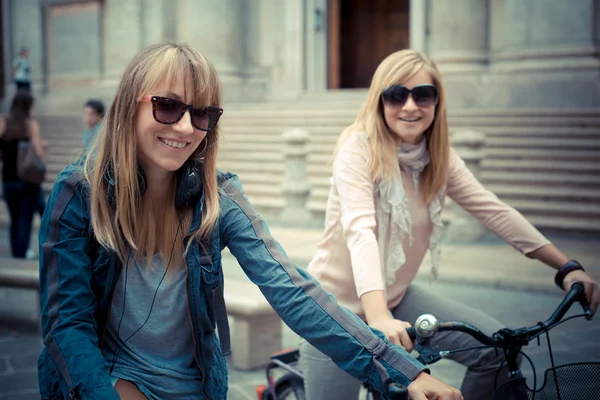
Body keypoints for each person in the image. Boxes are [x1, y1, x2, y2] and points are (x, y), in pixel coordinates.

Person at [36, 43, 462, 400]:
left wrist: (404, 372)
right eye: (168, 107)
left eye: (202, 114)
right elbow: (67, 325)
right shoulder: (80, 193)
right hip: (110, 380)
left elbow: (292, 289)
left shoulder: (219, 197)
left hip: (196, 386)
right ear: (130, 105)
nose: (185, 127)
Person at [299, 49, 600, 400]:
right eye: (396, 94)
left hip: (395, 296)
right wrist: (377, 316)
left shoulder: (437, 155)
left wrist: (566, 266)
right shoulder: (358, 146)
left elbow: (492, 210)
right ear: (379, 100)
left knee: (497, 350)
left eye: (422, 94)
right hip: (333, 307)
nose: (410, 105)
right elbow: (360, 230)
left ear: (437, 101)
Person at [0, 91, 46, 258]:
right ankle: (22, 252)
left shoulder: (3, 121)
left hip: (8, 179)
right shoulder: (30, 124)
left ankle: (15, 253)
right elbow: (39, 153)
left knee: (14, 218)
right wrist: (42, 146)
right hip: (27, 179)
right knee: (25, 219)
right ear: (27, 106)